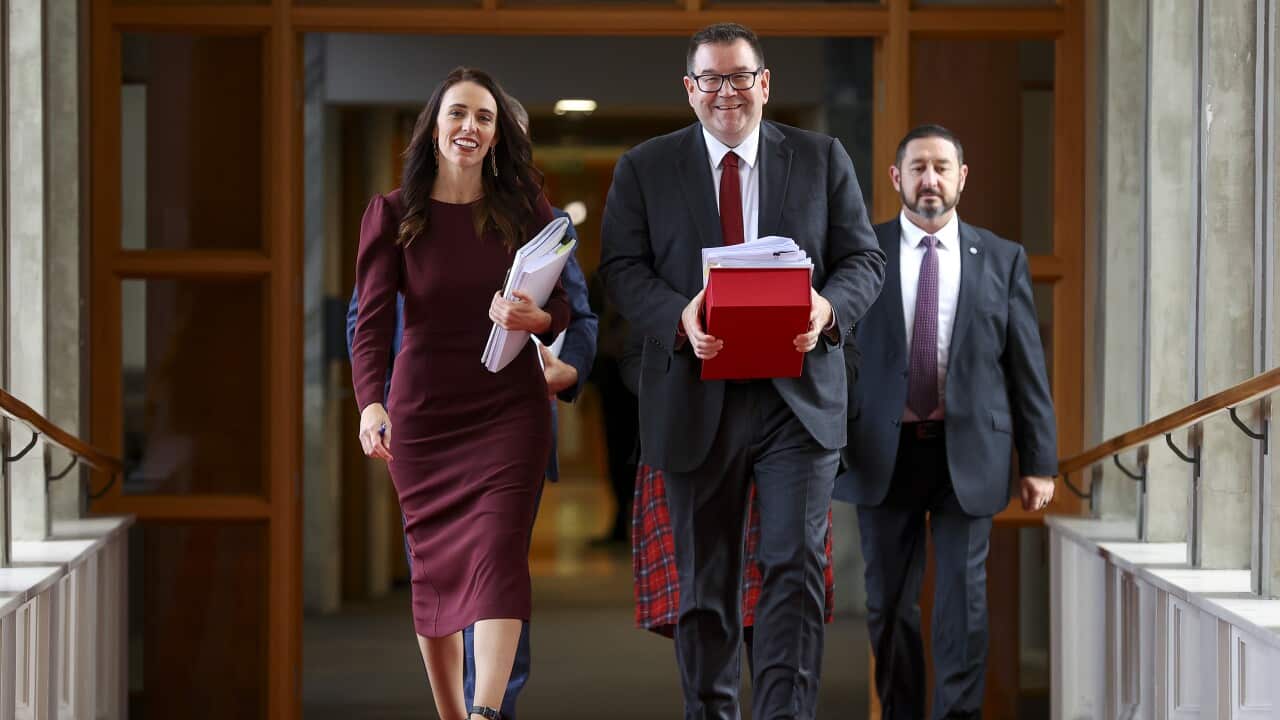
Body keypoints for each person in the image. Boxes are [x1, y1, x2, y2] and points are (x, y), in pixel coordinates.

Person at [598, 22, 886, 719]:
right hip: (696, 398)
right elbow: (620, 269)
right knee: (706, 582)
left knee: (793, 566)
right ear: (690, 90)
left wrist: (826, 307)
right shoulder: (646, 165)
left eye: (740, 77)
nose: (727, 92)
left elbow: (865, 261)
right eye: (712, 80)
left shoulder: (821, 158)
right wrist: (677, 315)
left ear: (765, 83)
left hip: (797, 400)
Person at [343, 96, 597, 720]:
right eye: (459, 114)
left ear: (498, 137)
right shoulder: (393, 213)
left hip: (509, 410)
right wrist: (370, 404)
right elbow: (370, 324)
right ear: (433, 127)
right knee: (435, 574)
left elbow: (565, 308)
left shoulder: (528, 210)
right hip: (425, 417)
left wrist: (538, 321)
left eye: (485, 119)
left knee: (498, 557)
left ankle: (488, 713)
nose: (471, 127)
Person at [834, 124, 1058, 719]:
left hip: (971, 452)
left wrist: (1039, 462)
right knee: (886, 606)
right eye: (917, 168)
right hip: (884, 451)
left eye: (941, 167)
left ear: (962, 177)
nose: (929, 179)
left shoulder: (1002, 258)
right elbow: (835, 361)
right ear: (895, 178)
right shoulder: (863, 255)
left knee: (963, 606)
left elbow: (1025, 367)